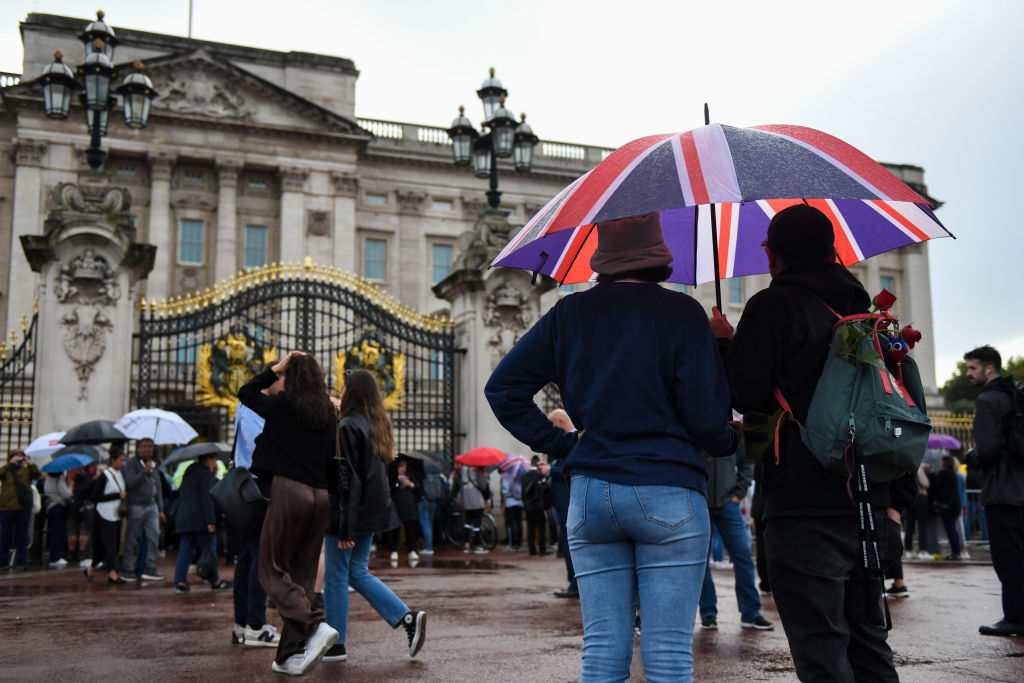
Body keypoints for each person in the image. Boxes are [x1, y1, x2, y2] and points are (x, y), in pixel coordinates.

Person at [486, 212, 738, 682]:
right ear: (660, 255)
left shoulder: (568, 313)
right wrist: (729, 425)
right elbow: (708, 423)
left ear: (601, 258)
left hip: (591, 491)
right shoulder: (682, 313)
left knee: (602, 654)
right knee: (666, 657)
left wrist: (559, 443)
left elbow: (503, 390)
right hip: (669, 487)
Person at [721, 204, 916, 682]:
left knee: (821, 649)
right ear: (833, 251)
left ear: (771, 255)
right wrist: (895, 505)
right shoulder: (869, 314)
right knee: (870, 646)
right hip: (870, 502)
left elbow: (745, 394)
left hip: (803, 504)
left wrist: (726, 344)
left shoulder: (771, 305)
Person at [238, 351, 340, 676]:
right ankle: (288, 656)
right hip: (320, 495)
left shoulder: (284, 405)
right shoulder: (327, 412)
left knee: (270, 569)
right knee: (303, 576)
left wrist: (273, 369)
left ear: (290, 377)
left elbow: (246, 393)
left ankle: (313, 625)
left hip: (289, 491)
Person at [323, 368, 427, 663]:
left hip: (350, 515)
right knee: (356, 572)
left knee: (336, 577)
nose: (340, 392)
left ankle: (336, 642)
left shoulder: (347, 427)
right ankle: (407, 618)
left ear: (352, 392)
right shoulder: (378, 426)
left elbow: (348, 481)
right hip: (370, 513)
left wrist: (345, 527)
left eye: (343, 389)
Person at [963, 345, 1024, 637]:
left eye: (972, 368)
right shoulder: (1016, 395)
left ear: (989, 369)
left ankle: (1015, 616)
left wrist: (971, 457)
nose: (968, 374)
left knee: (1009, 558)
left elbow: (987, 450)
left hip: (1002, 489)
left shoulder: (988, 400)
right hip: (1021, 487)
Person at [698, 443, 773, 631]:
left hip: (728, 504)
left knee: (744, 557)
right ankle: (708, 613)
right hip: (702, 502)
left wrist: (738, 493)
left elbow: (747, 462)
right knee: (700, 562)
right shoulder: (696, 426)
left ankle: (751, 613)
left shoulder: (730, 429)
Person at [230, 378, 281, 649]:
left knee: (248, 558)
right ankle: (256, 625)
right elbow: (254, 446)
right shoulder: (251, 408)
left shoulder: (250, 407)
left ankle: (243, 623)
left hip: (249, 486)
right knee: (259, 558)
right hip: (254, 487)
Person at [173, 452, 231, 593]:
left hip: (184, 516)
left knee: (185, 549)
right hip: (199, 518)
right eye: (214, 458)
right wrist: (210, 520)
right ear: (208, 459)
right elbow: (206, 499)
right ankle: (215, 581)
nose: (215, 462)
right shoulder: (205, 474)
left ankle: (180, 582)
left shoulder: (189, 472)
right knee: (209, 548)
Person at [122, 437, 166, 581]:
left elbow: (157, 487)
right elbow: (130, 483)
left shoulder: (154, 464)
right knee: (132, 538)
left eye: (150, 446)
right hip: (137, 505)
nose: (148, 449)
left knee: (154, 534)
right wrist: (144, 472)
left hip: (151, 505)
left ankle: (150, 566)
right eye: (145, 446)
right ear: (139, 448)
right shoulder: (131, 464)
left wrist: (160, 508)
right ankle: (127, 567)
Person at [84, 449, 129, 584]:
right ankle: (112, 572)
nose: (123, 463)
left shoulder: (120, 474)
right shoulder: (105, 476)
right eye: (120, 460)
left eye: (123, 460)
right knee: (109, 544)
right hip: (104, 514)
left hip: (116, 514)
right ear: (113, 461)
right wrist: (117, 496)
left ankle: (90, 568)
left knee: (112, 545)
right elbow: (96, 497)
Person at [547, 409, 578, 598]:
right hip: (562, 502)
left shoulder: (573, 442)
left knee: (570, 546)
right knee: (566, 545)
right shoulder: (568, 443)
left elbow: (571, 471)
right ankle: (573, 582)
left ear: (559, 422)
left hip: (568, 502)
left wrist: (550, 471)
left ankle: (575, 583)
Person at [0, 450, 42, 571]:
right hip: (6, 507)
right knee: (5, 536)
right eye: (17, 456)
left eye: (21, 456)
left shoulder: (26, 470)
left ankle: (21, 560)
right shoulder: (6, 470)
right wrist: (9, 464)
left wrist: (29, 463)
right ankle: (3, 561)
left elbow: (37, 474)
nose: (19, 458)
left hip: (23, 507)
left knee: (22, 535)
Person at [386, 458, 421, 563]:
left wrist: (410, 484)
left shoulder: (410, 476)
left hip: (409, 507)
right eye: (401, 467)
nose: (403, 469)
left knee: (410, 530)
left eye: (404, 467)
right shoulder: (392, 477)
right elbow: (390, 489)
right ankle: (394, 550)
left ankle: (411, 550)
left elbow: (418, 488)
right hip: (397, 506)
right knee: (395, 530)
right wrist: (397, 481)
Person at [452, 460, 491, 554]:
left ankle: (467, 545)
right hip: (477, 502)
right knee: (477, 525)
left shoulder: (464, 472)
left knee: (467, 524)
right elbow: (483, 486)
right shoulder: (478, 472)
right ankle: (478, 546)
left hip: (467, 502)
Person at [934, 455, 963, 560]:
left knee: (951, 529)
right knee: (952, 529)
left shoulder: (944, 474)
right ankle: (956, 551)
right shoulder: (953, 474)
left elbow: (936, 487)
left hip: (947, 507)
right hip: (953, 506)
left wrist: (932, 475)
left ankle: (956, 551)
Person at [43, 470, 73, 568]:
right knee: (57, 532)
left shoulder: (47, 480)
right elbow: (67, 494)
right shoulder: (58, 481)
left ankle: (55, 554)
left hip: (51, 508)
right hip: (59, 507)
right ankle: (55, 556)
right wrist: (70, 486)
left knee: (54, 532)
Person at [521, 456, 550, 556]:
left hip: (529, 506)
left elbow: (523, 493)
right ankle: (542, 549)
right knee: (541, 527)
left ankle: (532, 550)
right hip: (539, 505)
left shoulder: (525, 476)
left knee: (531, 528)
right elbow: (545, 490)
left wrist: (525, 503)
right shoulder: (540, 476)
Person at [501, 459, 524, 552]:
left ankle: (512, 544)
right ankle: (519, 543)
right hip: (519, 502)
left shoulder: (506, 475)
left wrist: (503, 504)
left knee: (511, 523)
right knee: (519, 523)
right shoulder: (521, 475)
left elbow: (505, 492)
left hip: (510, 502)